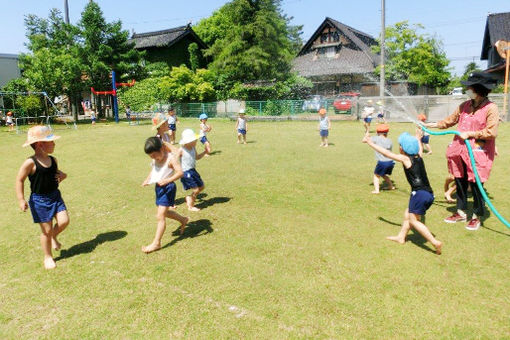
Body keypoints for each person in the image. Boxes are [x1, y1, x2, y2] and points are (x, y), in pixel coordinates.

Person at [423, 72, 499, 231]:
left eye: (470, 87)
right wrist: (432, 125)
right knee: (460, 181)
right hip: (460, 150)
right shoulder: (465, 105)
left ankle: (477, 215)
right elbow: (449, 121)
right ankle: (461, 211)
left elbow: (491, 132)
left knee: (476, 184)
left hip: (478, 151)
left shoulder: (491, 108)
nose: (467, 89)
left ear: (479, 89)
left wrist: (471, 134)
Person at [363, 131, 442, 254]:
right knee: (408, 214)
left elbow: (386, 153)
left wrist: (370, 143)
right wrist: (417, 138)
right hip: (428, 193)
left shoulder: (406, 159)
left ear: (403, 149)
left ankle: (434, 242)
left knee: (413, 221)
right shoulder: (418, 156)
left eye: (400, 145)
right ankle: (401, 237)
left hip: (419, 194)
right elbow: (420, 147)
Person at [15, 126, 70, 269]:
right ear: (40, 145)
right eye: (51, 141)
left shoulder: (53, 160)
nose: (54, 143)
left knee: (64, 221)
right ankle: (48, 256)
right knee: (46, 231)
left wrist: (63, 176)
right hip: (39, 201)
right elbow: (19, 180)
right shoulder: (30, 163)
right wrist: (21, 199)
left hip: (55, 196)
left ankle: (53, 236)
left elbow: (57, 173)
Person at [141, 137, 189, 253]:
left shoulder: (170, 159)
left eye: (155, 155)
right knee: (165, 213)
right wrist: (147, 179)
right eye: (151, 157)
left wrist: (167, 180)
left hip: (168, 188)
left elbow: (180, 173)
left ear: (162, 148)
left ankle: (156, 243)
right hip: (159, 188)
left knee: (160, 216)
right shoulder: (155, 159)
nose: (154, 158)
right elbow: (154, 170)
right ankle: (183, 220)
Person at [177, 129, 208, 211]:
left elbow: (197, 157)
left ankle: (189, 197)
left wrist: (205, 152)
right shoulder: (181, 150)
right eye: (194, 140)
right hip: (185, 172)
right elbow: (174, 159)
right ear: (188, 142)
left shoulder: (193, 148)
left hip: (193, 170)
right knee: (196, 189)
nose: (196, 141)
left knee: (201, 186)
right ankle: (190, 206)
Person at [370, 124, 395, 194]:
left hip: (382, 162)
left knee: (376, 175)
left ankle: (377, 190)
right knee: (383, 174)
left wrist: (367, 133)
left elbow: (364, 140)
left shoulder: (376, 138)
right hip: (391, 161)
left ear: (377, 132)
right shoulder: (390, 140)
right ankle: (391, 186)